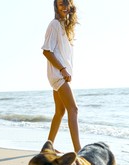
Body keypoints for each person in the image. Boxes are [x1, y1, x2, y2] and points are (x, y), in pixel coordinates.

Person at [42, 0, 81, 152]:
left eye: (66, 3)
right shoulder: (54, 25)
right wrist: (63, 70)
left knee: (60, 112)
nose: (64, 7)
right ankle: (79, 151)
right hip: (58, 74)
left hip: (61, 74)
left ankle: (48, 147)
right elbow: (46, 51)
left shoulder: (65, 27)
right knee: (74, 109)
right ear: (56, 7)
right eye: (60, 4)